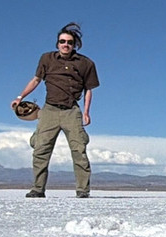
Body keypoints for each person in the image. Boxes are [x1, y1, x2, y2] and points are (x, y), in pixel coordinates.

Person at [10, 23, 100, 198]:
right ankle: (38, 189)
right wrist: (20, 97)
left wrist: (86, 112)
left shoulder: (86, 63)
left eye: (69, 42)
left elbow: (89, 89)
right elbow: (36, 80)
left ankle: (82, 191)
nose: (65, 45)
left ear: (75, 45)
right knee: (40, 149)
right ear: (57, 43)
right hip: (49, 110)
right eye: (62, 41)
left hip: (71, 112)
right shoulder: (47, 59)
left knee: (79, 150)